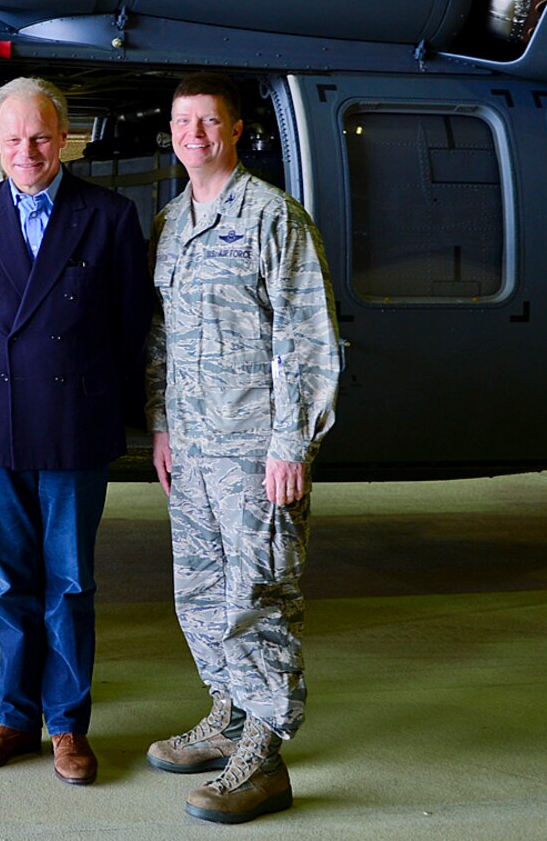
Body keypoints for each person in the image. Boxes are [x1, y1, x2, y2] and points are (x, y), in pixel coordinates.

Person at [143, 73, 340, 825]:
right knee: (200, 592)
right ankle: (227, 716)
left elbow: (307, 335)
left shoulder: (272, 216)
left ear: (235, 130)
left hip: (256, 452)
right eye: (181, 121)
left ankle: (265, 753)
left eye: (208, 120)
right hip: (191, 450)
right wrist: (161, 424)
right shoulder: (170, 221)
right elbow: (162, 337)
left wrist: (293, 443)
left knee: (258, 597)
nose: (193, 133)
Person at [0, 76, 152, 787]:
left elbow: (130, 328)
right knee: (11, 583)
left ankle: (67, 726)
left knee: (68, 584)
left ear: (64, 137)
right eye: (11, 139)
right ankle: (13, 717)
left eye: (39, 136)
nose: (26, 150)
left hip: (74, 424)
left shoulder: (110, 215)